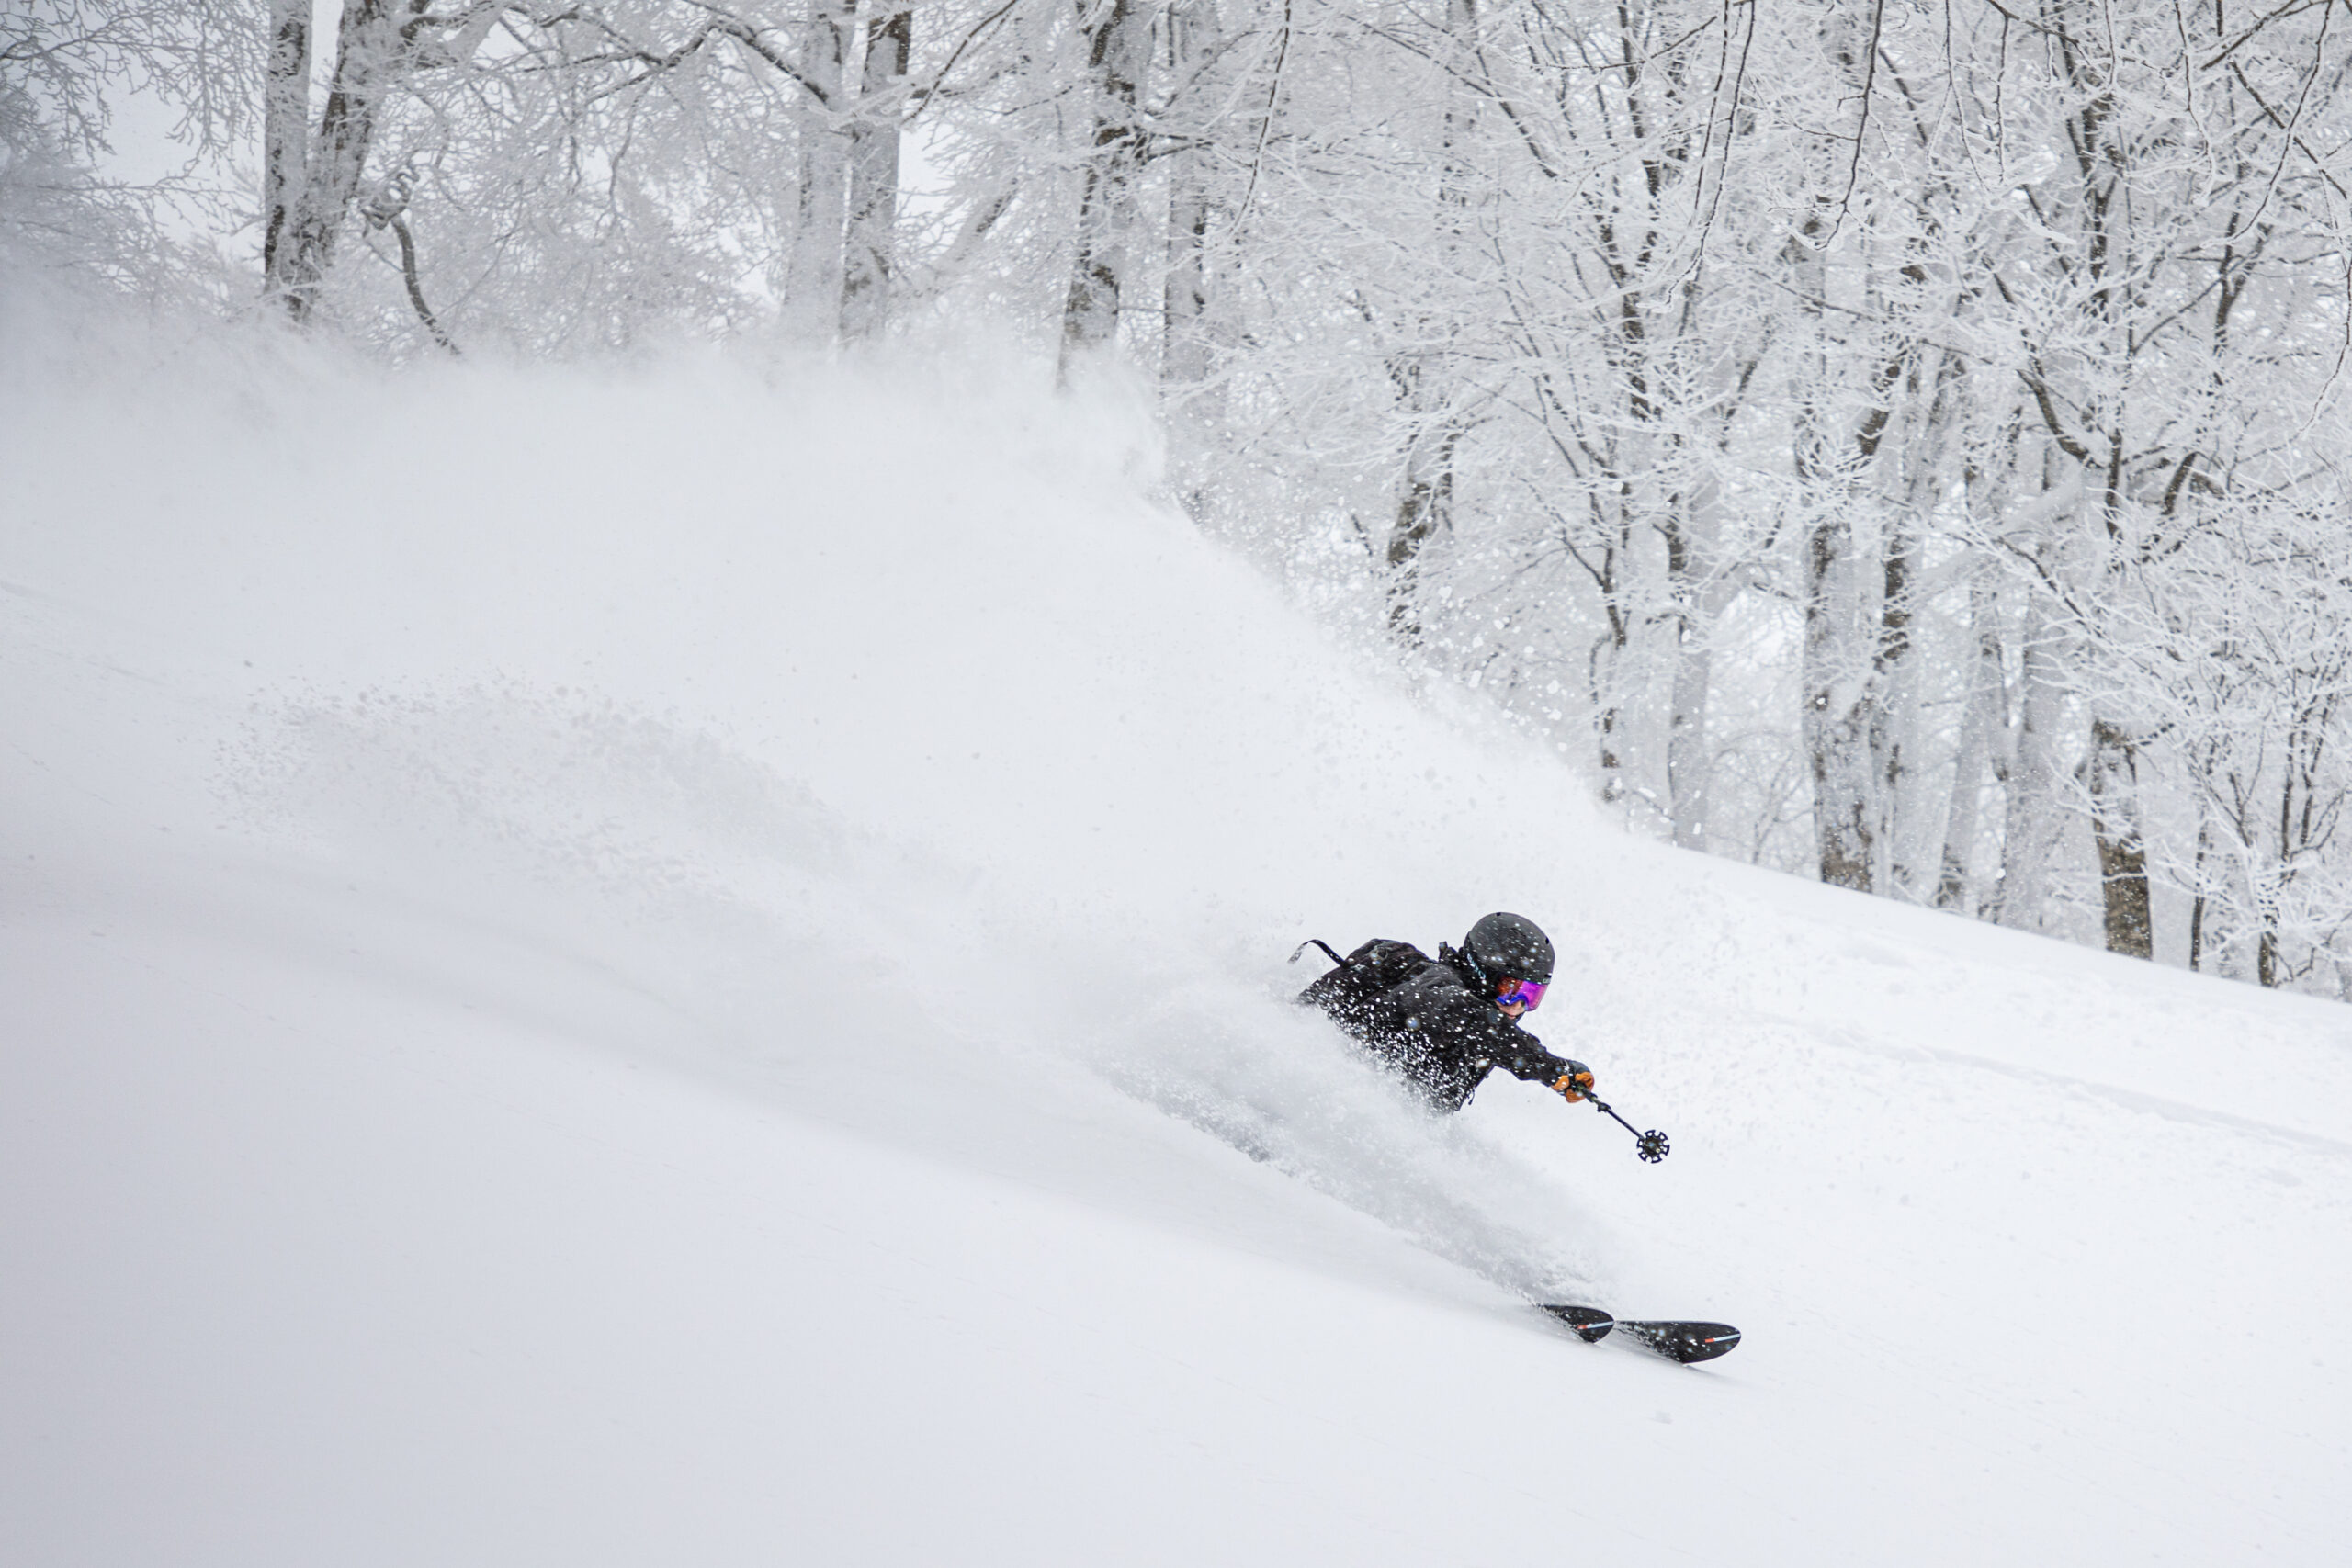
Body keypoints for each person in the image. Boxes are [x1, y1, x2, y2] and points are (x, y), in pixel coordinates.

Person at [1295, 911, 1594, 1114]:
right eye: (1511, 988)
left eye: (1533, 995)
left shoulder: (1489, 1035)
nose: (1519, 1006)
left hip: (1351, 1117)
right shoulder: (1437, 986)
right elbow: (1464, 1014)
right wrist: (1548, 1066)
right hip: (1304, 1087)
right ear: (1483, 972)